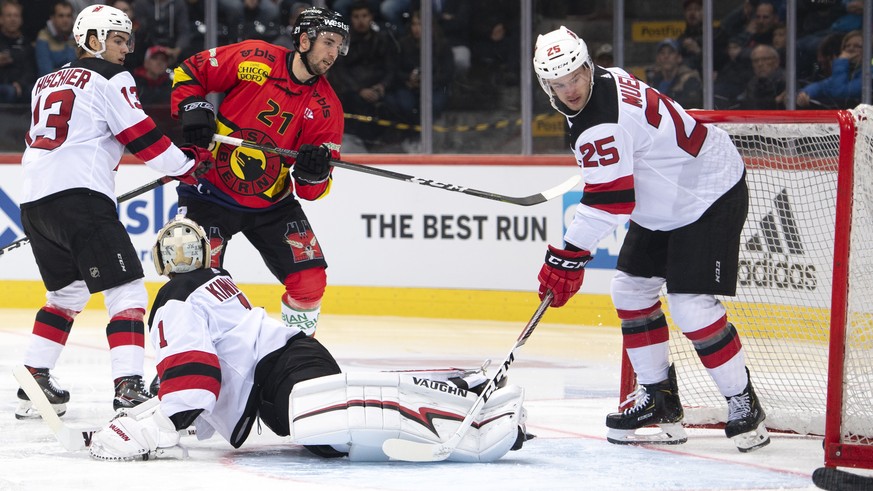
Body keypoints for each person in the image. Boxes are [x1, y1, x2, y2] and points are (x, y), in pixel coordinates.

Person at [87, 216, 529, 462]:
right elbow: (209, 375)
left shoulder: (172, 299)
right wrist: (163, 408)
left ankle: (469, 408)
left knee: (330, 428)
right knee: (336, 440)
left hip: (284, 371)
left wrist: (154, 427)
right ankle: (457, 390)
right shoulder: (215, 281)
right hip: (286, 367)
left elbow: (196, 379)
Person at [531, 26, 770, 453]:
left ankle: (742, 402)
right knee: (629, 288)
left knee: (691, 306)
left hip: (708, 194)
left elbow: (611, 203)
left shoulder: (598, 121)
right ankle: (660, 399)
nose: (569, 90)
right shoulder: (608, 79)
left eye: (575, 77)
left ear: (587, 66)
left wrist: (564, 259)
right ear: (546, 84)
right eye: (558, 83)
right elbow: (624, 160)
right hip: (665, 200)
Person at [15, 4, 212, 419]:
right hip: (80, 198)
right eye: (118, 40)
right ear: (92, 40)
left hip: (34, 201)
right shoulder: (110, 77)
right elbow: (138, 133)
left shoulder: (43, 81)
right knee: (126, 293)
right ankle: (128, 388)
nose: (126, 50)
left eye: (127, 41)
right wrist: (187, 167)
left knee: (65, 295)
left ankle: (35, 378)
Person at [170, 6, 347, 337]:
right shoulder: (256, 58)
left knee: (309, 283)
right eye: (329, 42)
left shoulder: (327, 108)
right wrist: (195, 109)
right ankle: (185, 352)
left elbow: (313, 191)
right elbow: (188, 72)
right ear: (305, 40)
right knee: (193, 278)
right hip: (208, 192)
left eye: (339, 45)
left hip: (271, 204)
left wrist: (314, 174)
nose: (334, 53)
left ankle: (298, 351)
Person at [797, 30, 865, 109]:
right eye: (847, 46)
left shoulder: (869, 74)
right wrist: (804, 94)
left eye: (857, 46)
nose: (850, 49)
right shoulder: (848, 71)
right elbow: (821, 86)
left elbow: (840, 93)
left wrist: (841, 61)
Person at [645, 38, 702, 109]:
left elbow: (691, 106)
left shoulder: (689, 80)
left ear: (679, 58)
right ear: (658, 58)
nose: (666, 56)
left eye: (670, 53)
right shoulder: (652, 80)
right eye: (662, 53)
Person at [0, 0, 35, 103]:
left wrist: (20, 83)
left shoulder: (27, 43)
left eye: (16, 16)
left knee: (34, 90)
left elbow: (31, 70)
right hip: (3, 86)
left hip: (22, 85)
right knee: (9, 91)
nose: (12, 19)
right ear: (1, 19)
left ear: (21, 20)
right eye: (9, 15)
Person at [34, 1, 76, 77]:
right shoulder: (43, 38)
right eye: (61, 16)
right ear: (52, 18)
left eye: (68, 16)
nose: (65, 20)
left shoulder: (78, 37)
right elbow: (46, 74)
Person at [737, 44, 785, 109]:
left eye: (765, 59)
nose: (760, 64)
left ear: (776, 61)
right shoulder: (752, 84)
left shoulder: (786, 81)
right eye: (756, 61)